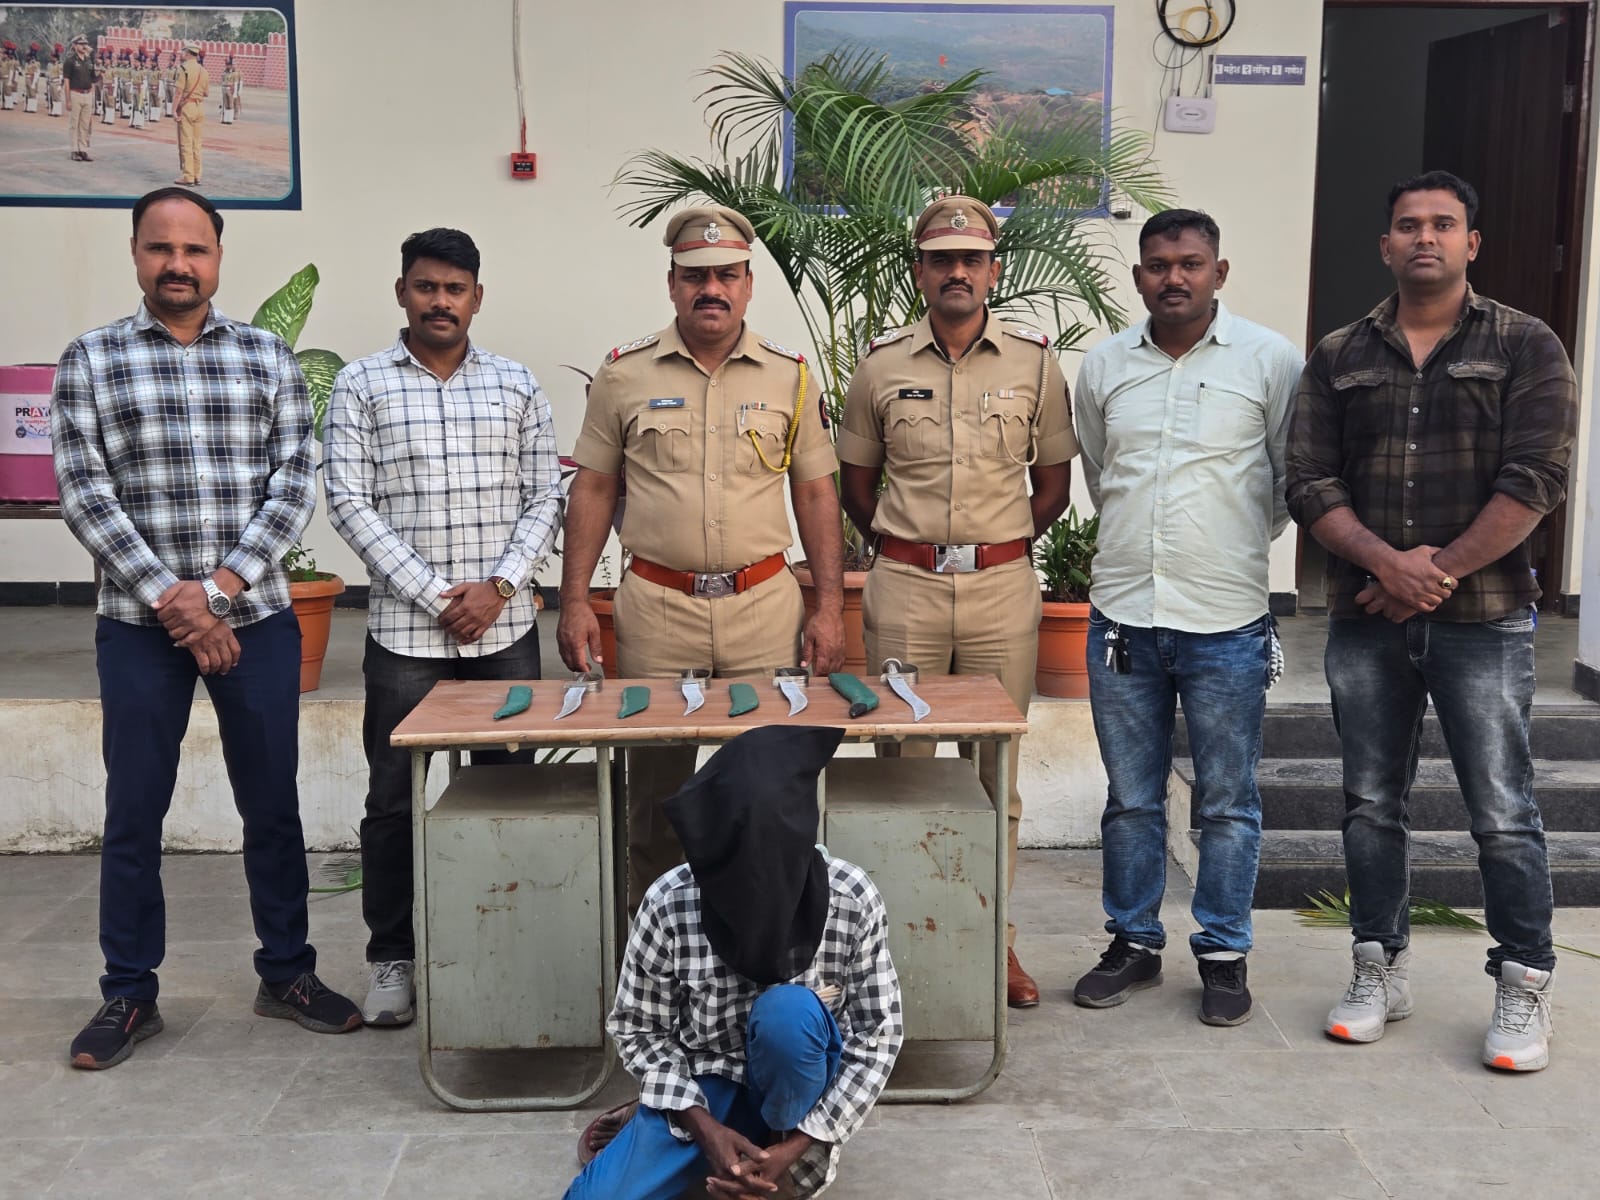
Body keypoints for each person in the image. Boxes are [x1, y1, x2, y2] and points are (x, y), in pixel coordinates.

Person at [50, 187, 362, 1070]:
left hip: (253, 619)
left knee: (271, 804)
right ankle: (128, 992)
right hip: (138, 625)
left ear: (218, 259)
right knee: (133, 810)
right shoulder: (93, 358)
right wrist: (173, 599)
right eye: (160, 248)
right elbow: (84, 491)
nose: (177, 264)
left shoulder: (265, 356)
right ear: (136, 255)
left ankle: (288, 973)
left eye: (194, 249)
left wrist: (218, 594)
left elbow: (293, 483)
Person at [1287, 171, 1578, 1071]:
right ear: (1385, 245)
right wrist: (1387, 565)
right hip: (1367, 621)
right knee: (1371, 804)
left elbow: (1536, 479)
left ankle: (1523, 983)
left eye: (1443, 224)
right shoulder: (1339, 353)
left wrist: (1431, 573)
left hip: (1484, 622)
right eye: (1408, 225)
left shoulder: (1527, 344)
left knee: (1502, 811)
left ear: (1470, 243)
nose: (1425, 237)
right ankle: (1378, 967)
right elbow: (1308, 480)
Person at [558, 204, 847, 906]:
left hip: (764, 608)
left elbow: (815, 493)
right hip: (658, 609)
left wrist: (830, 607)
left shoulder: (790, 376)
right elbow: (593, 488)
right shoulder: (623, 375)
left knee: (770, 788)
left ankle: (766, 939)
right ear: (671, 284)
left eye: (726, 275)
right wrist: (573, 600)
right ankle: (653, 944)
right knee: (656, 798)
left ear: (748, 283)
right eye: (694, 276)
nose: (710, 289)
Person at [837, 195, 1075, 1008]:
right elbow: (857, 486)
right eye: (942, 260)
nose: (958, 272)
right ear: (920, 272)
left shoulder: (1035, 365)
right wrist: (911, 549)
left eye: (972, 259)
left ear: (993, 271)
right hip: (904, 587)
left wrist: (993, 548)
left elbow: (1052, 488)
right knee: (903, 770)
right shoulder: (881, 365)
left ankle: (991, 940)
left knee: (994, 773)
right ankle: (902, 938)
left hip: (1001, 590)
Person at [324, 227, 563, 1027]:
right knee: (393, 800)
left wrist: (499, 587)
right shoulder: (361, 385)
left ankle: (505, 945)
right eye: (425, 287)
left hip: (505, 630)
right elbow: (348, 502)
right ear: (402, 292)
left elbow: (545, 495)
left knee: (509, 791)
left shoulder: (516, 384)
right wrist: (437, 595)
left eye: (454, 289)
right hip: (405, 635)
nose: (440, 302)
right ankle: (392, 958)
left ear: (476, 298)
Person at [1068, 209, 1302, 1026]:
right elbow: (1103, 474)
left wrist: (1222, 543)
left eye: (1191, 263)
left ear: (1219, 272)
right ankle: (1133, 942)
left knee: (1228, 801)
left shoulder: (1271, 361)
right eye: (1159, 264)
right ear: (1139, 276)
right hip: (1123, 618)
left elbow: (1286, 481)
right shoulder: (1104, 366)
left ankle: (1224, 954)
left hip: (1227, 618)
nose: (1175, 277)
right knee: (1131, 798)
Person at [565, 725, 902, 1200]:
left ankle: (768, 1159)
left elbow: (877, 1035)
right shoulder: (669, 901)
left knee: (788, 1013)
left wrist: (796, 1147)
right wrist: (703, 1127)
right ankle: (665, 1120)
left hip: (798, 1094)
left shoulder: (852, 897)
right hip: (704, 1082)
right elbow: (638, 1029)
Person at [173, 42, 207, 186]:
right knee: (197, 144)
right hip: (199, 107)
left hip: (187, 107)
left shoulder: (183, 69)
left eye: (183, 52)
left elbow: (178, 92)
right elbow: (206, 92)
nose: (182, 54)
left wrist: (174, 110)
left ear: (187, 53)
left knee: (186, 142)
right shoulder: (203, 71)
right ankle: (197, 175)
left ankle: (188, 177)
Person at [64, 35, 98, 162]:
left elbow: (93, 79)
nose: (84, 46)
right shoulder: (70, 61)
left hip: (87, 94)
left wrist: (92, 96)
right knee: (74, 124)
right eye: (81, 44)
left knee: (85, 124)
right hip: (75, 94)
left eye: (85, 44)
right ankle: (74, 150)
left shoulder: (89, 60)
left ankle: (83, 150)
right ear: (74, 45)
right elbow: (66, 81)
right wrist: (68, 99)